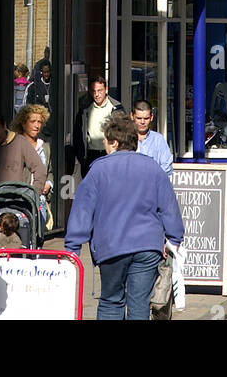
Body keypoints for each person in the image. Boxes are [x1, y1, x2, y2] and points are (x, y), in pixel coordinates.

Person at [65, 113, 184, 321]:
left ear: (115, 142)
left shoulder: (98, 170)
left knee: (111, 301)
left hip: (112, 247)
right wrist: (173, 239)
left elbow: (82, 210)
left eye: (106, 140)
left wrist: (72, 247)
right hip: (147, 246)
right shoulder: (153, 168)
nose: (103, 143)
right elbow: (169, 207)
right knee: (139, 304)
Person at [73, 75, 125, 177]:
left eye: (99, 90)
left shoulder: (115, 108)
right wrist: (80, 155)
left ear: (106, 90)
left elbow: (122, 133)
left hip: (109, 154)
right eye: (93, 91)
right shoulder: (85, 108)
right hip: (90, 155)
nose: (96, 94)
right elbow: (77, 132)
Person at [11, 104, 54, 208]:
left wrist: (48, 184)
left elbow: (49, 171)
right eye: (32, 121)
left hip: (41, 201)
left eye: (39, 122)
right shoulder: (15, 145)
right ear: (23, 123)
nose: (37, 125)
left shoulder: (45, 146)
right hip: (20, 200)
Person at [131, 98, 173, 176]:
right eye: (139, 118)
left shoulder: (158, 140)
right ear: (132, 116)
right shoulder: (126, 138)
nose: (142, 122)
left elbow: (167, 167)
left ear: (151, 117)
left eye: (146, 118)